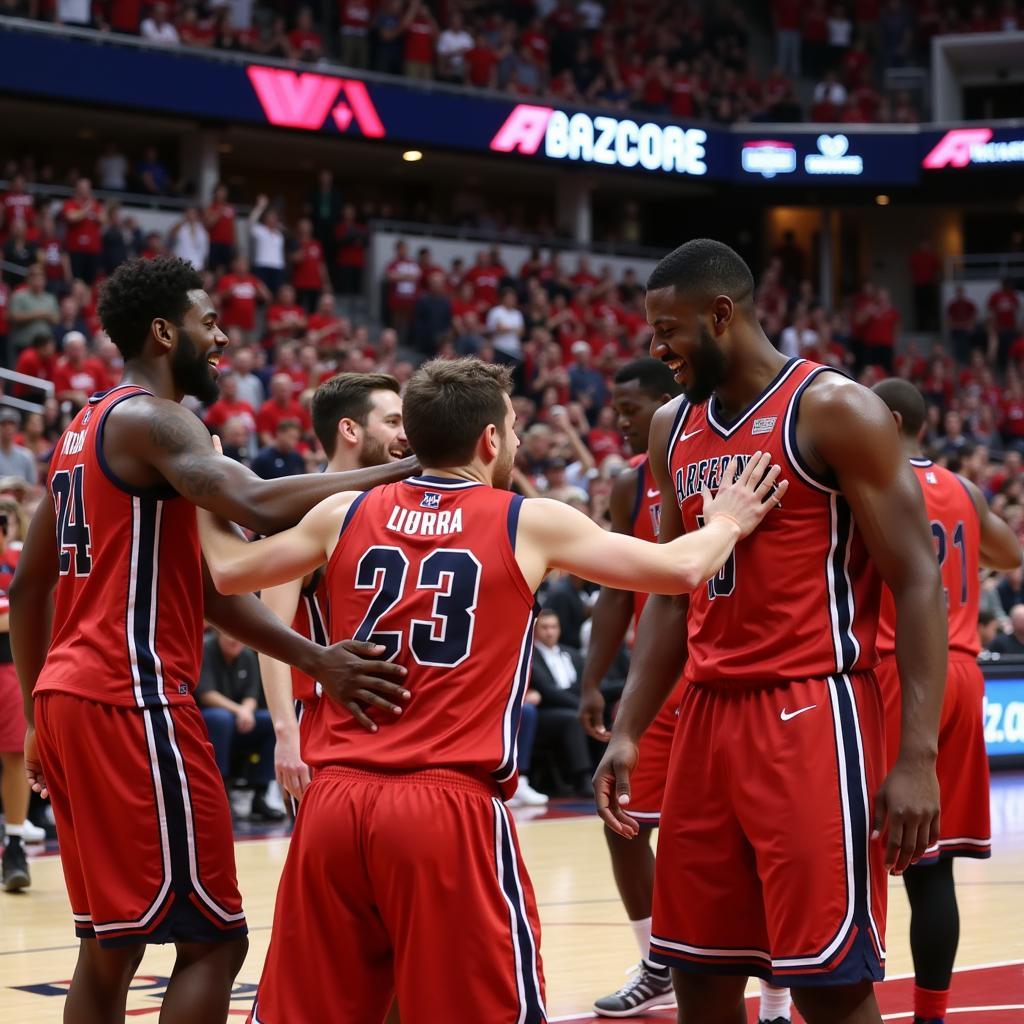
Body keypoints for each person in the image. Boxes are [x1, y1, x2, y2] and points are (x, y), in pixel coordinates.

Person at [196, 356, 787, 1024]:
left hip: (335, 807)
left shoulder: (342, 510)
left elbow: (227, 571)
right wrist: (729, 521)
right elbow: (679, 570)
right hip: (446, 807)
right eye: (510, 426)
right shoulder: (527, 520)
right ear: (490, 441)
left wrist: (197, 485)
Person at [9, 256, 417, 1024]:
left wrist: (315, 659)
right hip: (134, 702)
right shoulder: (155, 419)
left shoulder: (84, 427)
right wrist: (409, 470)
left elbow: (73, 587)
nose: (223, 337)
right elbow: (258, 506)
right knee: (213, 943)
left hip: (72, 699)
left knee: (109, 948)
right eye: (209, 323)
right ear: (165, 333)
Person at [594, 239, 946, 1024]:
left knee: (829, 983)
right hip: (705, 717)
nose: (657, 349)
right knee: (699, 969)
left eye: (669, 330)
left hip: (812, 713)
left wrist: (916, 754)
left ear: (722, 314)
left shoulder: (832, 408)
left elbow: (918, 580)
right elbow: (669, 594)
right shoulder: (668, 427)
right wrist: (629, 729)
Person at [872, 379, 1021, 1024]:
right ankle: (930, 1015)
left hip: (895, 670)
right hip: (961, 671)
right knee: (935, 870)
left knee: (854, 854)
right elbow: (1009, 553)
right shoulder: (963, 489)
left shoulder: (869, 480)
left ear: (893, 419)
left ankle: (800, 1000)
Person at [258, 372, 408, 806]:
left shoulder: (399, 508)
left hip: (394, 729)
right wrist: (286, 736)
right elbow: (269, 635)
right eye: (394, 422)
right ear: (350, 429)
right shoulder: (304, 515)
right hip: (325, 728)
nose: (405, 436)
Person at [196, 630, 283, 822]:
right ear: (219, 634)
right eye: (230, 635)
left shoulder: (247, 656)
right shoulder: (205, 649)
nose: (235, 639)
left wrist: (246, 710)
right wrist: (240, 711)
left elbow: (251, 695)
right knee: (221, 719)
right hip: (208, 721)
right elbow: (206, 695)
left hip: (238, 721)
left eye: (238, 637)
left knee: (270, 721)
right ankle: (222, 794)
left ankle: (260, 794)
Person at [529, 608, 594, 798]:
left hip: (575, 704)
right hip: (545, 713)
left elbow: (585, 683)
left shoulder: (572, 654)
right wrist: (582, 706)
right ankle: (582, 778)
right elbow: (547, 691)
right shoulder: (530, 655)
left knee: (604, 715)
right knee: (573, 719)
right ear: (535, 630)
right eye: (544, 627)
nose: (550, 632)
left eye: (554, 627)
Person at [0, 409, 37, 486]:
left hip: (21, 496)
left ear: (17, 428)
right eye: (4, 424)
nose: (8, 428)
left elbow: (32, 486)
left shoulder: (26, 455)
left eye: (11, 424)